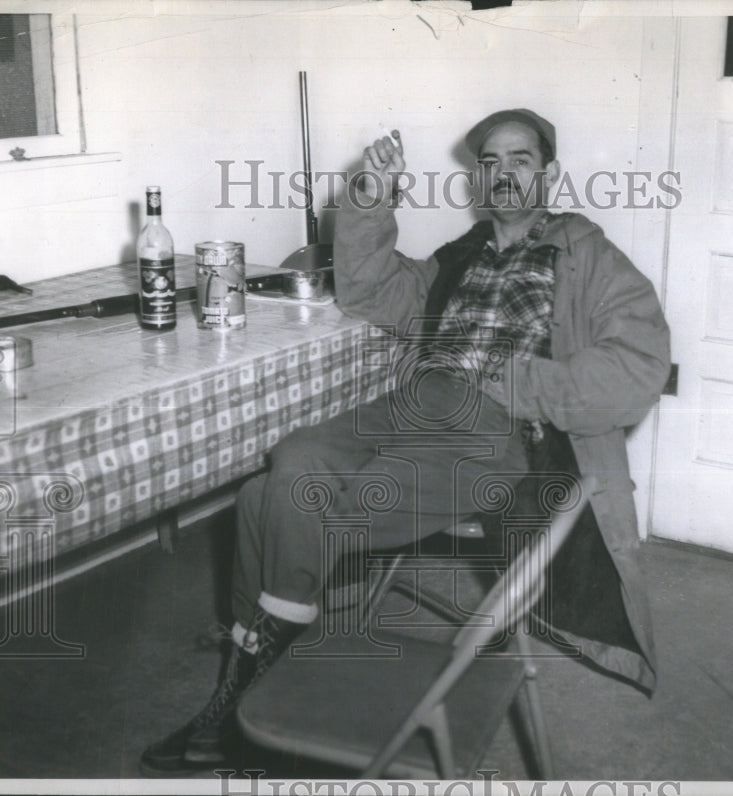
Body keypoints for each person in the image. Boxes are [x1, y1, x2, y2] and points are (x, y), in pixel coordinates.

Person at [140, 109, 671, 775]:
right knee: (284, 468)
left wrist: (522, 384)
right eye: (490, 161)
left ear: (549, 174)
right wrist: (368, 194)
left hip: (493, 433)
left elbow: (640, 364)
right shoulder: (464, 254)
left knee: (285, 501)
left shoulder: (587, 255)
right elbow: (369, 288)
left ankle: (249, 704)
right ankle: (266, 685)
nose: (503, 173)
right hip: (413, 406)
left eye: (520, 159)